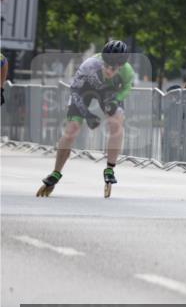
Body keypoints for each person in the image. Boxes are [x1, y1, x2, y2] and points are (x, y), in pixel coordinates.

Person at [36, 40, 135, 197]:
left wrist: (116, 101)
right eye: (107, 65)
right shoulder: (90, 64)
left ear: (121, 66)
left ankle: (110, 168)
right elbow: (75, 90)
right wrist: (87, 115)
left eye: (113, 68)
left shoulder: (127, 71)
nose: (109, 70)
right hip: (83, 90)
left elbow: (128, 88)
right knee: (72, 129)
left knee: (117, 120)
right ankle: (56, 172)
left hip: (108, 92)